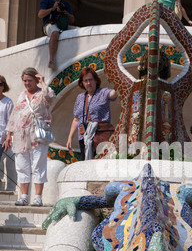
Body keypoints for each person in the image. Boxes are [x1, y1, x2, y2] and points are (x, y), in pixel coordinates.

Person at [3, 68, 55, 206]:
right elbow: (14, 115)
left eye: (29, 80)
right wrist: (9, 135)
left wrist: (43, 82)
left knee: (38, 164)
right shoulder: (21, 96)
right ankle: (24, 196)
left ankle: (38, 197)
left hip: (37, 134)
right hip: (20, 135)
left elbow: (51, 97)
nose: (27, 83)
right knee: (22, 166)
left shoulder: (42, 93)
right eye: (25, 80)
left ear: (36, 80)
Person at [66, 67, 117, 160]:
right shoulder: (80, 97)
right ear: (82, 83)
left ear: (96, 81)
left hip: (100, 135)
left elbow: (113, 93)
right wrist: (70, 138)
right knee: (87, 166)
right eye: (85, 81)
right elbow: (76, 119)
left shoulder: (103, 93)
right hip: (83, 137)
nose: (88, 83)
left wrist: (118, 81)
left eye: (90, 80)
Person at [38, 0, 75, 70]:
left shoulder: (66, 4)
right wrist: (52, 9)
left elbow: (72, 20)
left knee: (78, 30)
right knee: (55, 33)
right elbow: (40, 14)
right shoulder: (46, 1)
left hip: (63, 26)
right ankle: (51, 61)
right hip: (50, 25)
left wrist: (64, 12)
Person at [0, 76, 14, 162]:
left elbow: (11, 121)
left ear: (3, 86)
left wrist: (8, 136)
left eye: (0, 84)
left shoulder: (8, 102)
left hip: (1, 138)